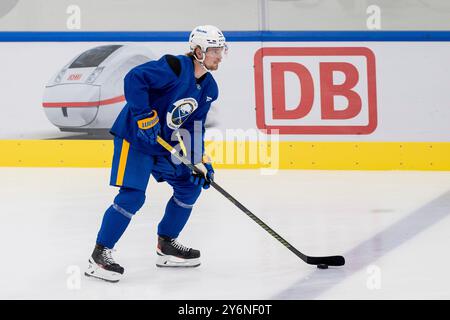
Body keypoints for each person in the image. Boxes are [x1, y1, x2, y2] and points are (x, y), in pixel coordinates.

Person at [84, 25, 227, 283]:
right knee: (133, 196)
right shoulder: (173, 67)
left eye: (221, 50)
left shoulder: (209, 89)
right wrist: (143, 115)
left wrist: (198, 160)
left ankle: (167, 245)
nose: (219, 55)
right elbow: (134, 79)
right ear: (197, 51)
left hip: (163, 144)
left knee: (189, 186)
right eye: (213, 50)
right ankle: (99, 255)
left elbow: (194, 126)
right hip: (136, 139)